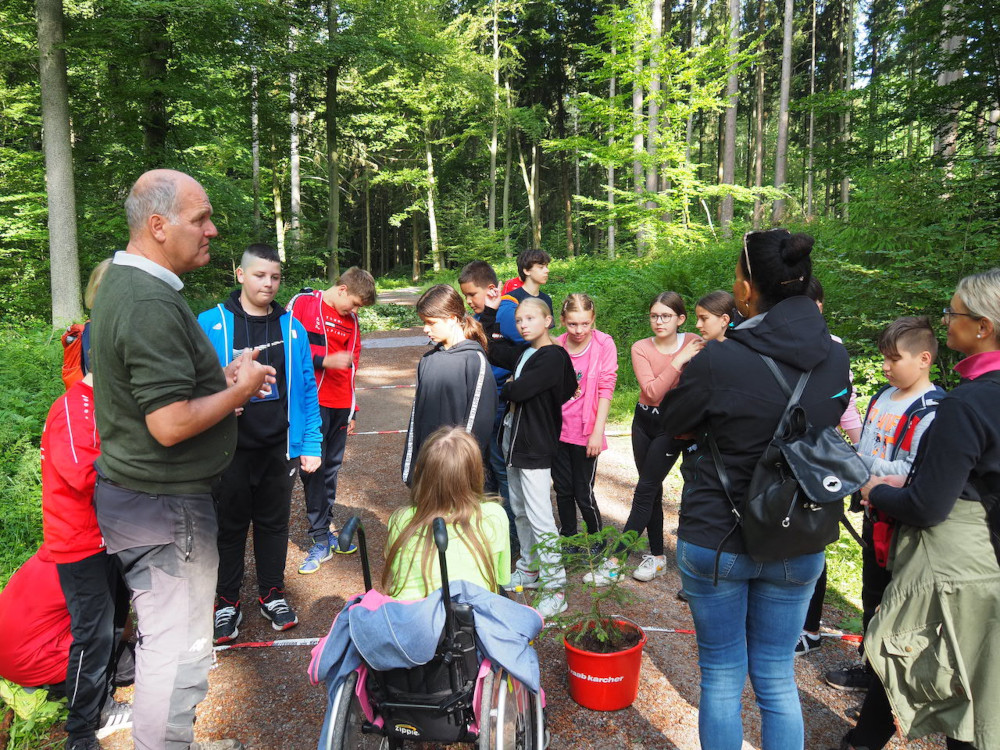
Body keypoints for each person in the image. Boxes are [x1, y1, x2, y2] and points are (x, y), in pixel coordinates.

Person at [90, 168, 274, 750]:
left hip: (142, 498)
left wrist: (215, 379)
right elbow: (168, 424)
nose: (212, 231)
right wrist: (239, 393)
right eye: (201, 219)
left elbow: (160, 394)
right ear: (159, 224)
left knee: (168, 643)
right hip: (164, 507)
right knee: (178, 651)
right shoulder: (149, 301)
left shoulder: (128, 281)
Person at [660, 229, 850, 750]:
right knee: (775, 676)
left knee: (721, 676)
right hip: (798, 534)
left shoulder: (719, 360)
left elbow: (673, 422)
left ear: (745, 291)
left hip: (717, 533)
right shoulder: (835, 359)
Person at [841, 270, 1000, 750]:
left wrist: (877, 489)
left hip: (962, 568)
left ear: (983, 327)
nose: (947, 320)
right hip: (990, 555)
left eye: (954, 313)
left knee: (943, 678)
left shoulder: (966, 404)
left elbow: (929, 505)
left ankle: (864, 741)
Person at [198, 243, 323, 643]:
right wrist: (219, 400)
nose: (268, 284)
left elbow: (305, 387)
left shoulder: (291, 327)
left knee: (273, 524)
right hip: (228, 448)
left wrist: (311, 442)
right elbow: (194, 385)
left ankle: (272, 593)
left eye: (274, 277)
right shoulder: (211, 322)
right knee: (229, 528)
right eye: (259, 275)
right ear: (240, 274)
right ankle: (227, 602)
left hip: (278, 448)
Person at [41, 368, 132, 750]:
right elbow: (84, 474)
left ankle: (105, 701)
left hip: (107, 536)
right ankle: (80, 730)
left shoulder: (104, 402)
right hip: (79, 543)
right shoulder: (72, 406)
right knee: (91, 636)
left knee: (113, 625)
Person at [586, 292, 704, 587]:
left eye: (666, 316)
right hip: (644, 421)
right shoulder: (641, 347)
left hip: (672, 426)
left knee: (645, 489)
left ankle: (615, 561)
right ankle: (657, 557)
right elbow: (650, 392)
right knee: (651, 488)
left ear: (681, 319)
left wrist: (684, 357)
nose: (659, 321)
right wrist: (679, 360)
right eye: (654, 316)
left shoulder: (696, 342)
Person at [287, 266, 376, 573]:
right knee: (312, 468)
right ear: (341, 290)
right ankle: (320, 536)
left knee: (330, 469)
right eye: (353, 303)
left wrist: (353, 409)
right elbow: (286, 348)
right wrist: (321, 360)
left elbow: (353, 364)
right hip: (311, 403)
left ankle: (325, 526)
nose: (354, 311)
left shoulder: (351, 320)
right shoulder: (303, 304)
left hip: (340, 404)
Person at [491, 297, 576, 618]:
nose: (523, 324)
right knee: (521, 510)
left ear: (548, 320)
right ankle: (529, 568)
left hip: (536, 446)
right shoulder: (527, 353)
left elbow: (520, 390)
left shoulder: (552, 355)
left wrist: (513, 388)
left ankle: (556, 588)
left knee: (540, 517)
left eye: (530, 318)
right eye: (520, 319)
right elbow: (497, 352)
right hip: (514, 442)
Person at [795, 276, 867, 656]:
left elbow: (848, 407)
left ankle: (810, 627)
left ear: (820, 306)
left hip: (818, 459)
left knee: (815, 541)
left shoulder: (835, 349)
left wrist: (860, 461)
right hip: (780, 457)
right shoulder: (770, 343)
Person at [0, 545, 134, 744]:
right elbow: (118, 629)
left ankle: (51, 684)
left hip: (12, 661)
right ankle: (101, 713)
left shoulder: (54, 554)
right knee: (131, 664)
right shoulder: (93, 567)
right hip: (36, 662)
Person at [385, 427, 511, 599]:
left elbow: (396, 571)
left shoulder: (401, 519)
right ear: (476, 473)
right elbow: (500, 577)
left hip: (411, 618)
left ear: (421, 473)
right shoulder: (495, 515)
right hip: (470, 617)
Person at [401, 284, 498, 485]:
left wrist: (461, 472)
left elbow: (477, 422)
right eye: (424, 322)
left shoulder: (474, 360)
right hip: (428, 470)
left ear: (452, 319)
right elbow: (416, 418)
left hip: (458, 475)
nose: (425, 329)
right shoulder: (428, 360)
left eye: (431, 322)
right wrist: (411, 466)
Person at [458, 260, 517, 554]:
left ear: (491, 289)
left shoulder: (507, 314)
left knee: (501, 466)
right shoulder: (478, 316)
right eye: (466, 297)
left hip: (501, 403)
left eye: (472, 295)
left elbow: (526, 352)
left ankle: (510, 535)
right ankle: (490, 525)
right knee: (486, 467)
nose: (469, 302)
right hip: (483, 401)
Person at [552, 293, 618, 542]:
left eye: (585, 324)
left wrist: (597, 432)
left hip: (587, 431)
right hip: (559, 430)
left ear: (593, 320)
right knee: (562, 489)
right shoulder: (556, 346)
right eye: (572, 324)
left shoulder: (603, 345)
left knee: (583, 491)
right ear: (562, 320)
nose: (579, 330)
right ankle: (569, 537)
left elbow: (606, 387)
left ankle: (595, 538)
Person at [496, 249, 553, 342]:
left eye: (547, 266)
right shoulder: (511, 300)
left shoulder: (546, 300)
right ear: (526, 270)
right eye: (541, 267)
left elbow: (547, 332)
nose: (547, 270)